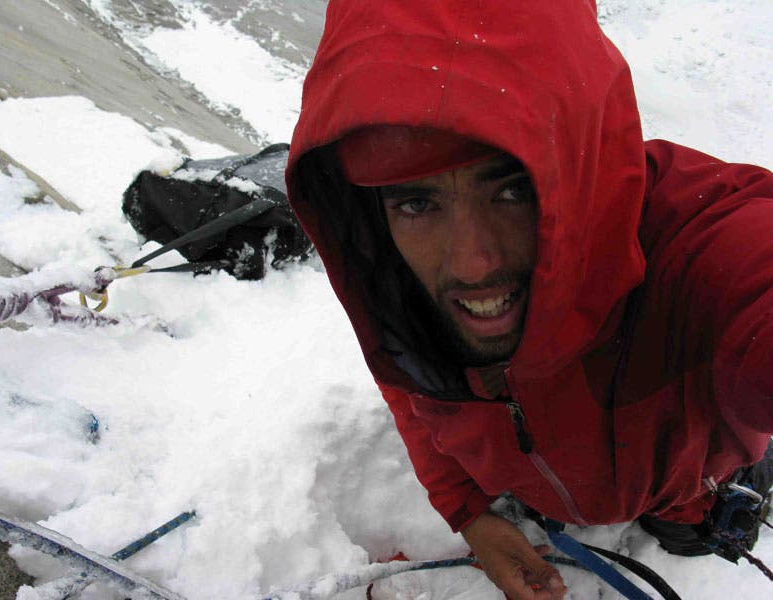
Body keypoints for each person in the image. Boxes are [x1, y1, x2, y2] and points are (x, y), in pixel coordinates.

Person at [284, 1, 773, 597]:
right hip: (541, 488)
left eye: (514, 190)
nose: (473, 263)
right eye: (416, 203)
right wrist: (467, 511)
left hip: (687, 488)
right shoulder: (401, 289)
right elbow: (412, 389)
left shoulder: (690, 239)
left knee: (694, 537)